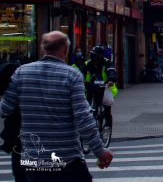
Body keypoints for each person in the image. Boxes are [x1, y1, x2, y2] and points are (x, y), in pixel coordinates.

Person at [0, 31, 113, 181]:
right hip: (66, 159)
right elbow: (83, 117)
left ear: (42, 49)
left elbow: (5, 109)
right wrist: (99, 151)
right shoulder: (71, 75)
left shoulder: (21, 73)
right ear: (65, 51)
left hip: (34, 159)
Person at [84, 46, 119, 130]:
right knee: (88, 106)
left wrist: (111, 80)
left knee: (106, 107)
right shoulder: (88, 63)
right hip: (91, 87)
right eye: (92, 55)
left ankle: (108, 125)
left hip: (105, 87)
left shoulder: (107, 63)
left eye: (95, 55)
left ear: (100, 56)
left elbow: (112, 72)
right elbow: (80, 72)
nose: (93, 57)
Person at [0, 61, 24, 182]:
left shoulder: (14, 89)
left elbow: (4, 110)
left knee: (20, 172)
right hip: (37, 136)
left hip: (17, 136)